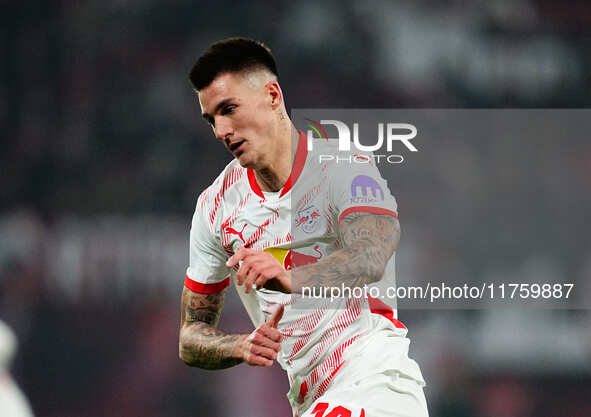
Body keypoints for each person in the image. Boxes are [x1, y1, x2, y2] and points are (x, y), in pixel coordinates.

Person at [179, 37, 428, 417]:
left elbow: (371, 255)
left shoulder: (343, 165)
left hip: (376, 381)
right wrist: (241, 346)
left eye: (229, 109)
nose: (221, 130)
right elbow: (190, 336)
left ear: (273, 95)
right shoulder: (216, 207)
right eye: (211, 118)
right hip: (311, 399)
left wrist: (290, 278)